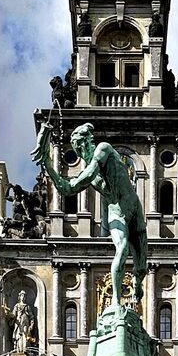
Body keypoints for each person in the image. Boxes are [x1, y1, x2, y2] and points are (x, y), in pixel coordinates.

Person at [33, 122, 147, 306]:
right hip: (116, 211)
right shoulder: (91, 173)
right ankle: (116, 302)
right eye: (77, 150)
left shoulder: (103, 149)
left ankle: (137, 282)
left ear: (86, 142)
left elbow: (86, 175)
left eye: (79, 148)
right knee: (122, 248)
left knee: (141, 268)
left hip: (134, 209)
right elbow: (67, 188)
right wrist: (47, 164)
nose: (79, 153)